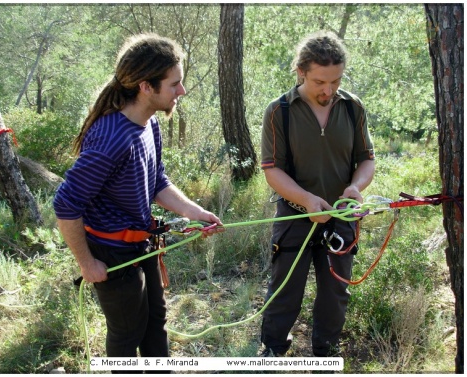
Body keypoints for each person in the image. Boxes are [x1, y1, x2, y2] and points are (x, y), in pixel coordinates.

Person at [53, 33, 222, 371]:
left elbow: (157, 181)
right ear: (146, 86)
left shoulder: (149, 124)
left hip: (142, 245)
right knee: (126, 334)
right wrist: (87, 264)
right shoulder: (111, 138)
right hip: (112, 254)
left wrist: (196, 212)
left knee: (154, 324)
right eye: (175, 84)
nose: (182, 91)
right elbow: (66, 204)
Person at [259, 31, 375, 358]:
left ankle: (325, 352)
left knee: (335, 292)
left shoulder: (353, 108)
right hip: (296, 215)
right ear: (300, 72)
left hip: (341, 218)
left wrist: (355, 187)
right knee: (285, 290)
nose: (328, 90)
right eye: (320, 82)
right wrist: (307, 201)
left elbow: (366, 159)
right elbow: (272, 170)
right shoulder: (278, 111)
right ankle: (272, 351)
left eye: (336, 81)